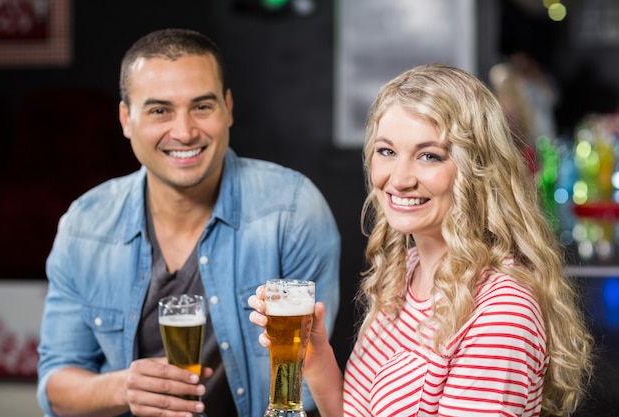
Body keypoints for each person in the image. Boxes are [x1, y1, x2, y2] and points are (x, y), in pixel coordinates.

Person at [249, 64, 594, 416]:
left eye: (429, 156)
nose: (399, 179)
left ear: (477, 168)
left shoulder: (500, 312)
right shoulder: (404, 273)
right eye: (387, 151)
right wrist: (317, 357)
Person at [37, 28, 341, 417]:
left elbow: (303, 383)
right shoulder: (85, 225)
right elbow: (55, 387)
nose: (184, 132)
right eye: (159, 110)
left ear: (228, 109)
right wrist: (121, 388)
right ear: (126, 119)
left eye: (202, 106)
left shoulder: (293, 210)